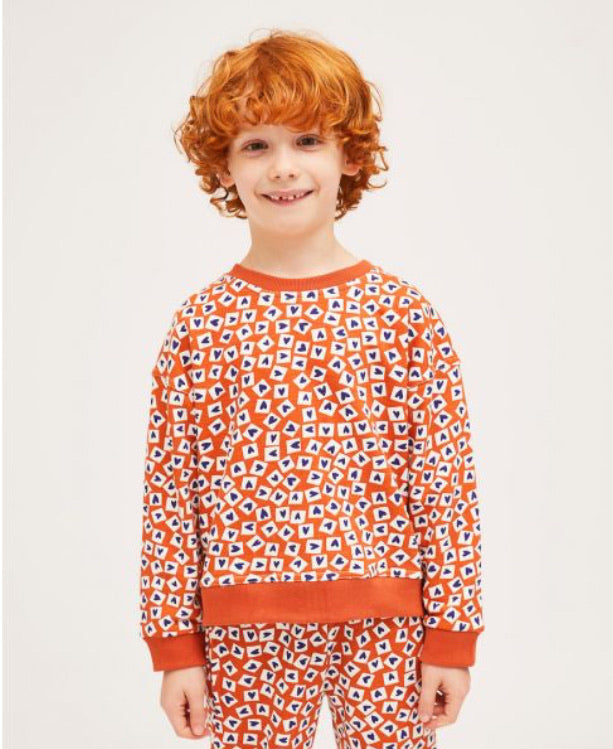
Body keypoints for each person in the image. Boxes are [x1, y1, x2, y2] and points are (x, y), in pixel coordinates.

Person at [138, 28, 485, 748]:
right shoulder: (200, 325)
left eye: (306, 140)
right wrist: (174, 648)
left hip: (390, 624)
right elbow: (170, 495)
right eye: (254, 145)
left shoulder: (403, 315)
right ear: (223, 165)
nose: (282, 167)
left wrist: (453, 635)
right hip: (243, 628)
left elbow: (445, 484)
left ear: (349, 154)